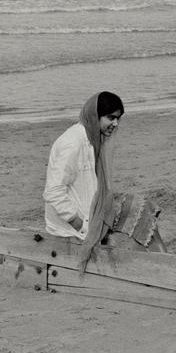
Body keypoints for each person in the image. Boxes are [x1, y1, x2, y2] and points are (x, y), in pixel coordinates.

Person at [44, 91, 125, 268]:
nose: (115, 124)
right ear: (95, 115)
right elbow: (53, 190)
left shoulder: (93, 139)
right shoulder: (73, 143)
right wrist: (77, 222)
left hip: (87, 215)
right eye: (111, 117)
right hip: (70, 227)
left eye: (118, 118)